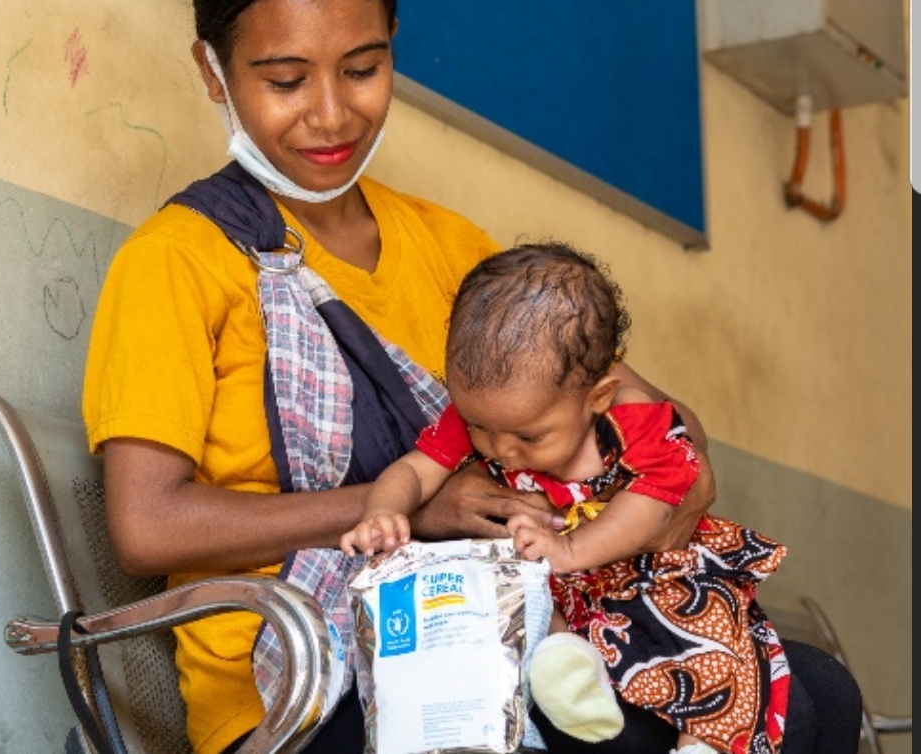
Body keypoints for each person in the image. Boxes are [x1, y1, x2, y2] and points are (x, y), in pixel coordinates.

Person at [80, 1, 863, 753]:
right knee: (697, 726)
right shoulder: (176, 260)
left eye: (361, 69)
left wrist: (678, 466)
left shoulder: (452, 250)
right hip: (309, 687)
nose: (330, 114)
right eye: (286, 81)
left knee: (819, 690)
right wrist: (412, 506)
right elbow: (147, 527)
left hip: (513, 626)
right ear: (214, 73)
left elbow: (637, 404)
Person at [340, 242, 791, 754]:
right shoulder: (493, 417)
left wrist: (573, 551)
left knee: (718, 637)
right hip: (553, 586)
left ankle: (701, 742)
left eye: (529, 438)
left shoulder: (633, 420)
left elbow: (657, 499)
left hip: (650, 576)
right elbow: (415, 472)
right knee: (510, 595)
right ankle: (569, 669)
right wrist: (383, 512)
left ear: (596, 398)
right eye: (479, 428)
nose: (500, 449)